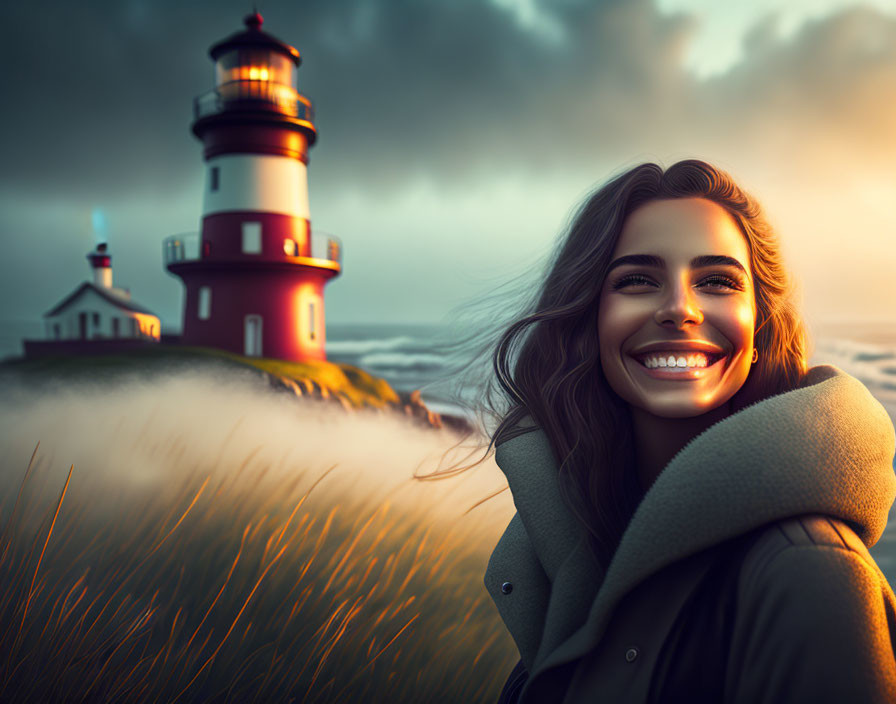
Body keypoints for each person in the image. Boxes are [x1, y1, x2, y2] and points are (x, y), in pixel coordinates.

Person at [478, 160, 896, 703]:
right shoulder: (574, 545)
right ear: (588, 318)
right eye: (636, 281)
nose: (679, 308)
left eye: (718, 281)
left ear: (760, 323)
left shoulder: (808, 572)